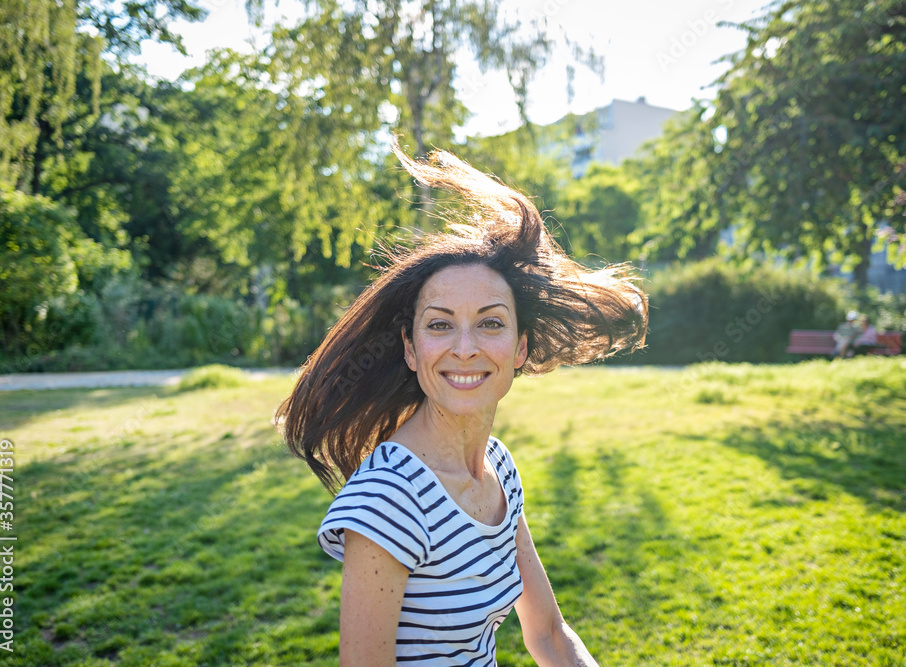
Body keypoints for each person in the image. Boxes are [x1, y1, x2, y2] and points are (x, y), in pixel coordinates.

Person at [275, 143, 648, 666]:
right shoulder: (390, 500)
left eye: (491, 322)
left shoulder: (497, 468)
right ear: (411, 348)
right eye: (440, 324)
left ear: (520, 348)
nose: (465, 346)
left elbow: (549, 636)